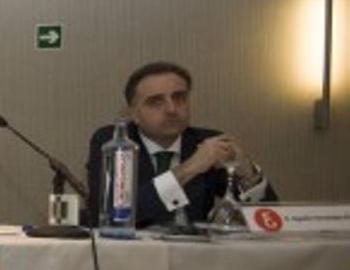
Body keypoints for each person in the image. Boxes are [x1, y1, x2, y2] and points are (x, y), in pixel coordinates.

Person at [85, 60, 276, 228]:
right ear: (133, 114)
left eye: (179, 98)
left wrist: (247, 173)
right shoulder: (114, 143)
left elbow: (270, 220)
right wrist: (190, 168)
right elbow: (114, 214)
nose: (171, 109)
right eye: (155, 102)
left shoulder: (207, 142)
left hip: (196, 253)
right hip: (133, 252)